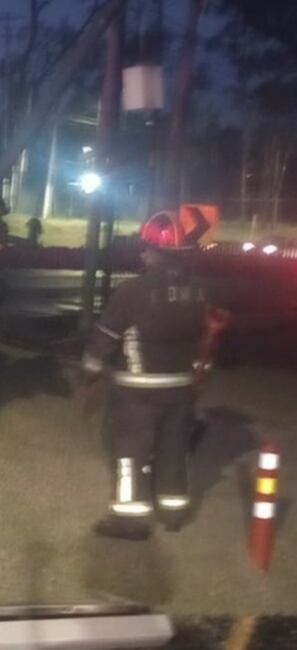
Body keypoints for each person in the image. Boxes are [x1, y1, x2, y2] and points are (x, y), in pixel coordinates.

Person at [80, 210, 210, 541]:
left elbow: (106, 338)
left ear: (152, 251)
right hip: (180, 389)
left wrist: (90, 372)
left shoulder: (132, 291)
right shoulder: (197, 291)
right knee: (173, 449)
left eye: (144, 247)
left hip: (136, 391)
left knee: (128, 450)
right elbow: (203, 340)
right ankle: (173, 511)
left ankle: (130, 519)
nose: (141, 253)